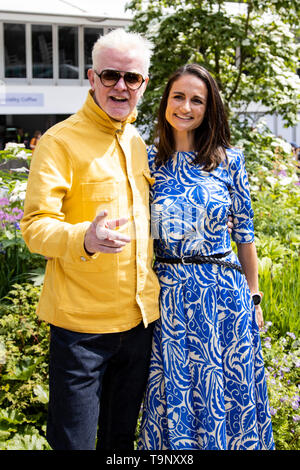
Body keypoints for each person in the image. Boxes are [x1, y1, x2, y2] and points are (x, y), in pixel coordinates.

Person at [20, 29, 161, 451]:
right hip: (81, 333)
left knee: (119, 444)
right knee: (75, 444)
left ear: (144, 85)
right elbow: (34, 227)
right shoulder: (60, 141)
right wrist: (85, 237)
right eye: (110, 75)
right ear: (91, 77)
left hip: (138, 326)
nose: (121, 85)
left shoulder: (140, 144)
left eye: (131, 78)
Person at [137, 64, 275, 450]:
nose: (186, 106)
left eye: (197, 99)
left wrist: (254, 297)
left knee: (228, 396)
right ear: (165, 101)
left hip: (223, 298)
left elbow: (245, 235)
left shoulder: (228, 160)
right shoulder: (146, 163)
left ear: (208, 107)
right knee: (174, 394)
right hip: (171, 298)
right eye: (178, 96)